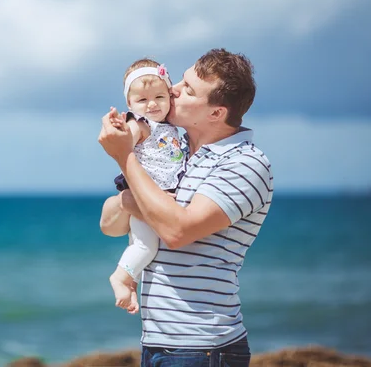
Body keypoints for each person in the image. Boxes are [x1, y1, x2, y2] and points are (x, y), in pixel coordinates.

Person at [98, 48, 273, 367]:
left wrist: (125, 158)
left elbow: (177, 230)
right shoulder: (175, 152)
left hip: (203, 346)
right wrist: (129, 198)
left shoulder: (245, 163)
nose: (173, 88)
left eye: (189, 89)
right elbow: (109, 224)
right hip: (156, 342)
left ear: (216, 113)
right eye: (181, 79)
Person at [108, 58, 185, 315]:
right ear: (130, 104)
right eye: (142, 100)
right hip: (145, 196)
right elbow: (126, 138)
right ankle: (119, 277)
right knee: (145, 246)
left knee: (142, 245)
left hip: (159, 197)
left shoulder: (171, 128)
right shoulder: (140, 124)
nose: (152, 104)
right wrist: (121, 132)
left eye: (159, 96)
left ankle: (130, 284)